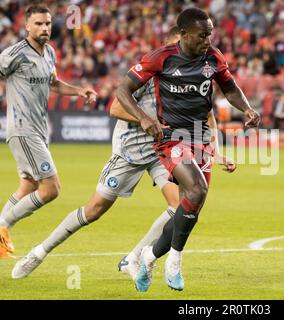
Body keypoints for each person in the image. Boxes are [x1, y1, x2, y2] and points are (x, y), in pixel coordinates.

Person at [11, 26, 236, 280]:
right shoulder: (150, 72)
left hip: (166, 149)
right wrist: (145, 119)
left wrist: (215, 152)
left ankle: (135, 257)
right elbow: (115, 107)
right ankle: (40, 252)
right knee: (94, 210)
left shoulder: (193, 74)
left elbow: (206, 114)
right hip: (131, 150)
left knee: (181, 204)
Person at [115, 7, 260, 292]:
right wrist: (144, 118)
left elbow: (229, 88)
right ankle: (175, 262)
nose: (208, 40)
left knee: (189, 208)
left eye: (210, 34)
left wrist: (247, 108)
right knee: (197, 191)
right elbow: (122, 91)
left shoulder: (213, 57)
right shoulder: (161, 58)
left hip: (200, 138)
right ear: (183, 34)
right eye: (202, 35)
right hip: (171, 137)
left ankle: (149, 255)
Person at [0, 5, 97, 258]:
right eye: (39, 24)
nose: (45, 28)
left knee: (29, 185)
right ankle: (2, 228)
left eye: (48, 23)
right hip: (23, 128)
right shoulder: (14, 54)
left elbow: (53, 83)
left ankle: (1, 237)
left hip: (40, 129)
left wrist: (78, 91)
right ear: (27, 26)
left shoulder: (50, 53)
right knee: (51, 189)